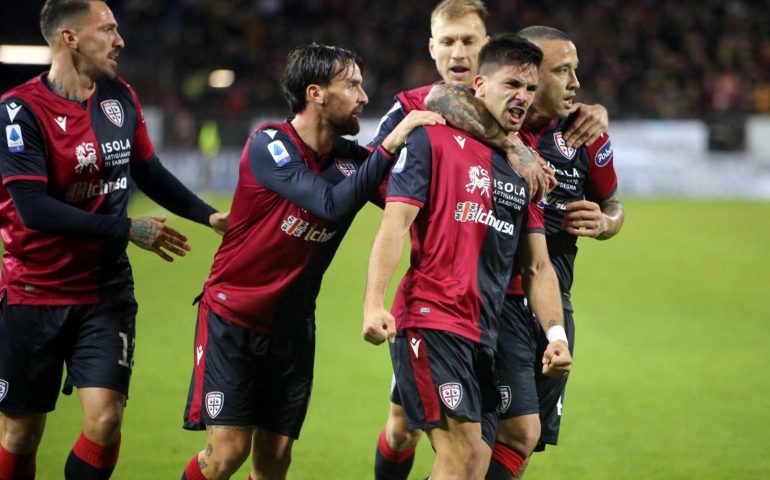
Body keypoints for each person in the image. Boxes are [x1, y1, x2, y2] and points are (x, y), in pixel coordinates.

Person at [179, 43, 443, 480]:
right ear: (316, 93)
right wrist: (391, 142)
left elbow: (412, 205)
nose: (363, 96)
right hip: (233, 318)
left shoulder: (350, 160)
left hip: (293, 327)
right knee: (227, 452)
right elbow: (329, 204)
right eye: (352, 85)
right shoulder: (270, 143)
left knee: (275, 460)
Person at [369, 2, 608, 478]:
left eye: (470, 41)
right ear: (433, 47)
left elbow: (540, 263)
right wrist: (373, 302)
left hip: (487, 320)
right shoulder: (425, 124)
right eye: (449, 40)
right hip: (433, 312)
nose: (459, 52)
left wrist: (557, 335)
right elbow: (391, 212)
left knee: (487, 448)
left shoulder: (532, 162)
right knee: (422, 436)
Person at [0, 1, 227, 479]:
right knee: (21, 433)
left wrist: (209, 217)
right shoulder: (19, 111)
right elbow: (32, 209)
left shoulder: (118, 97)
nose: (120, 40)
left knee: (105, 420)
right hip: (33, 292)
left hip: (105, 292)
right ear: (70, 38)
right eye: (107, 29)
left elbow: (150, 172)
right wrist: (127, 229)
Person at [427, 25, 626, 478]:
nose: (575, 83)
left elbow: (614, 204)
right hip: (496, 300)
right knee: (490, 442)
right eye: (562, 71)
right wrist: (510, 143)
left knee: (520, 443)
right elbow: (438, 96)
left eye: (575, 71)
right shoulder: (489, 122)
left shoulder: (582, 134)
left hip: (554, 297)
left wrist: (604, 222)